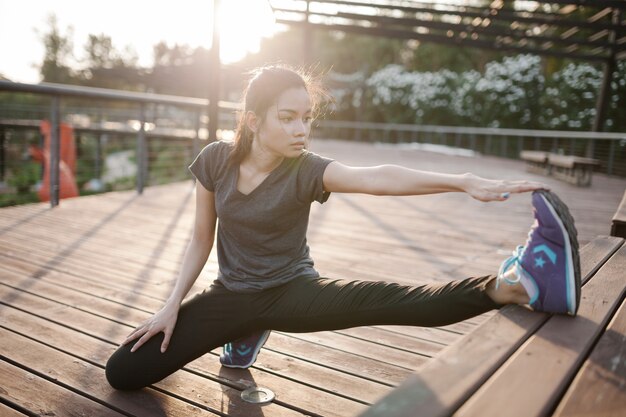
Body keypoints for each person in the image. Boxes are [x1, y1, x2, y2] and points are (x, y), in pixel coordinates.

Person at [105, 65, 581, 389]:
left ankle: (517, 284)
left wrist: (463, 181)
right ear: (253, 121)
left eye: (305, 118)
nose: (301, 129)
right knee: (123, 371)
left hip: (291, 290)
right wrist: (170, 307)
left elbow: (377, 179)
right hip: (229, 295)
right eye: (287, 118)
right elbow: (199, 240)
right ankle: (247, 328)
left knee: (396, 300)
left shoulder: (307, 169)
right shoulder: (214, 161)